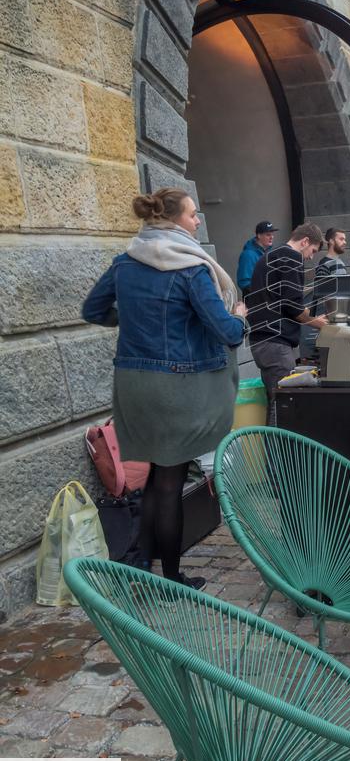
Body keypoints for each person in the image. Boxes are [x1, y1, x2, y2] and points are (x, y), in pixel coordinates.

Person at [82, 188, 247, 588]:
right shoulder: (190, 268)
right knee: (169, 483)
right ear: (174, 220)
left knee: (156, 477)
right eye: (193, 213)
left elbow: (92, 310)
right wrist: (239, 316)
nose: (198, 219)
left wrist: (135, 321)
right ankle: (171, 578)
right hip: (177, 385)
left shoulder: (125, 262)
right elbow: (226, 332)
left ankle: (141, 568)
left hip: (135, 384)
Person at [247, 223, 328, 423]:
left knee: (275, 401)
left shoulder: (270, 256)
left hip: (262, 341)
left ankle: (272, 453)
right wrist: (321, 324)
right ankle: (278, 454)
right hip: (276, 343)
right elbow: (293, 307)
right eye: (313, 251)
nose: (310, 257)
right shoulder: (291, 258)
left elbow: (282, 301)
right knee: (284, 405)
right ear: (305, 241)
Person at [237, 220, 277, 294]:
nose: (271, 237)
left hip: (270, 299)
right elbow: (244, 283)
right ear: (259, 235)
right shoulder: (248, 255)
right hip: (256, 301)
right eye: (268, 235)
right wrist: (263, 295)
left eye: (272, 234)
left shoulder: (271, 253)